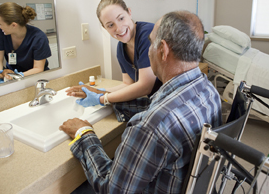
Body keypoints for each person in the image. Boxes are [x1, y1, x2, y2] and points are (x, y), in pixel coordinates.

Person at [60, 10, 222, 193]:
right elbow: (156, 104)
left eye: (151, 43)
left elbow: (111, 189)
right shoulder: (209, 91)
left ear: (163, 50)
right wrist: (107, 99)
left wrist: (84, 133)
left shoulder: (151, 125)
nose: (147, 50)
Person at [65, 0, 163, 121]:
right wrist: (98, 91)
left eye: (121, 18)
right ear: (105, 28)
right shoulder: (121, 49)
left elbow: (145, 86)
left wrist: (102, 97)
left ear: (129, 12)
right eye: (110, 25)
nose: (119, 28)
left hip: (171, 103)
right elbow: (128, 84)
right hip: (155, 102)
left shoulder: (148, 34)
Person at [0, 2, 51, 83]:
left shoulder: (38, 37)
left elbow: (38, 68)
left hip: (36, 78)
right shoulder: (0, 31)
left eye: (0, 23)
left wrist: (17, 76)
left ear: (13, 25)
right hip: (11, 77)